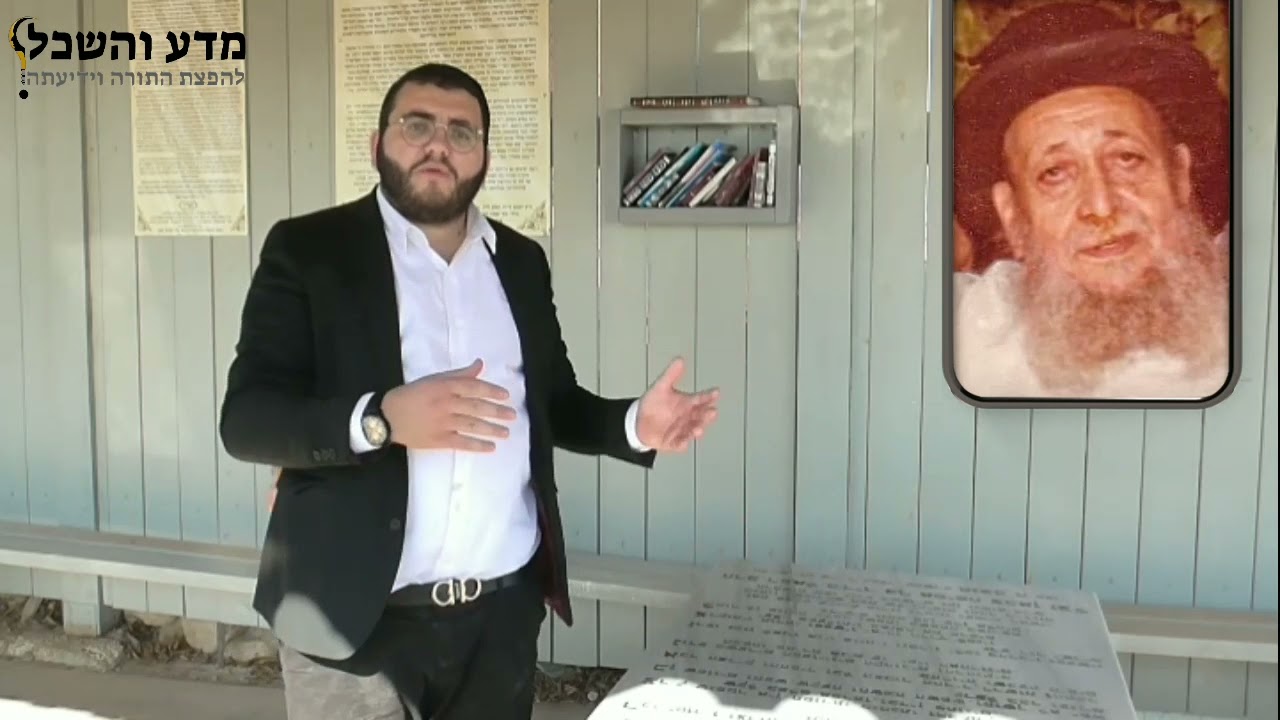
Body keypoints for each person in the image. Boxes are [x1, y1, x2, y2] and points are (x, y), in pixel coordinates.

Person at [218, 62, 719, 720]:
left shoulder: (518, 261)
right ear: (377, 144)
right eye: (417, 125)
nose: (439, 145)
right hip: (350, 625)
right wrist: (379, 421)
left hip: (497, 623)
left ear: (483, 157)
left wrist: (634, 425)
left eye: (462, 133)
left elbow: (552, 402)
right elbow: (248, 419)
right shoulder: (310, 250)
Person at [950, 2, 1231, 401]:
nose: (1101, 207)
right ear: (1013, 217)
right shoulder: (968, 339)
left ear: (1180, 177)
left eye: (1127, 159)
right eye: (1054, 173)